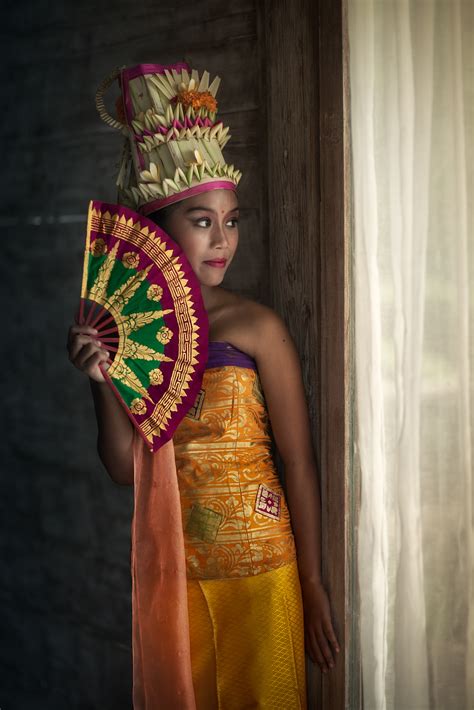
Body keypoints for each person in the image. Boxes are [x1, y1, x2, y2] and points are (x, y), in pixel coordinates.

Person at [67, 63, 340, 709]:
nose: (224, 240)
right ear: (157, 230)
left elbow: (297, 461)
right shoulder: (129, 332)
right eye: (202, 222)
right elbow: (123, 471)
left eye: (232, 220)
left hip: (263, 572)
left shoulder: (257, 326)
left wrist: (312, 580)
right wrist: (99, 380)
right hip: (178, 573)